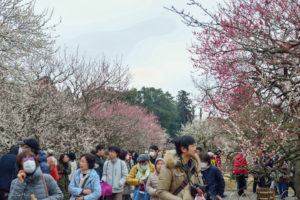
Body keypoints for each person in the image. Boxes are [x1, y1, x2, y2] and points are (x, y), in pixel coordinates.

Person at [157, 135, 204, 200]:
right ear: (183, 149)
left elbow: (201, 188)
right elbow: (161, 192)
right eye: (192, 146)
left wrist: (200, 193)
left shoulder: (195, 166)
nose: (195, 149)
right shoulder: (169, 167)